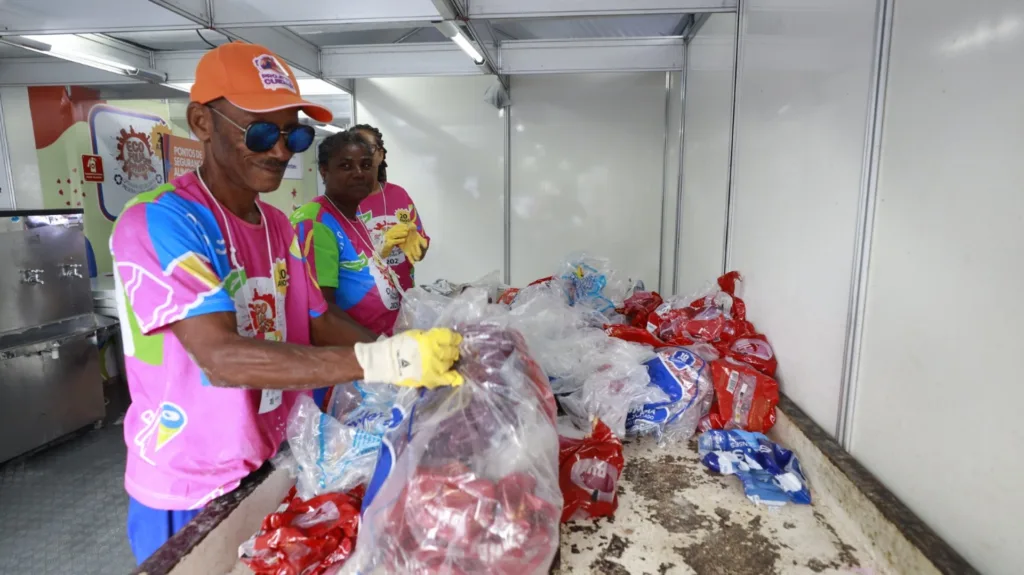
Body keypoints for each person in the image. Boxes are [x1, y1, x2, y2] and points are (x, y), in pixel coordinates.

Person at [109, 42, 463, 565]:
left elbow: (318, 320)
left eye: (294, 134)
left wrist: (408, 358)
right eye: (259, 132)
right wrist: (384, 361)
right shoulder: (161, 222)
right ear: (202, 122)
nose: (280, 150)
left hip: (271, 459)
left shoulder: (277, 226)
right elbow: (221, 358)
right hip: (190, 485)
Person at [352, 124, 429, 291]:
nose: (362, 154)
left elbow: (420, 251)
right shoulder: (344, 201)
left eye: (368, 147)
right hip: (362, 299)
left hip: (403, 297)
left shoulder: (399, 195)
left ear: (380, 155)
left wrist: (416, 242)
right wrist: (379, 250)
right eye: (356, 148)